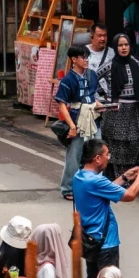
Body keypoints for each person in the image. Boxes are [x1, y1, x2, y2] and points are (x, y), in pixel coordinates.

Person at [72, 138, 139, 278]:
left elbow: (104, 190)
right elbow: (129, 195)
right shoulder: (96, 180)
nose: (109, 157)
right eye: (107, 154)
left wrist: (125, 177)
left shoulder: (80, 177)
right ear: (97, 158)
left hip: (90, 240)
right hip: (105, 244)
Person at [97, 32, 139, 180]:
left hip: (135, 110)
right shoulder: (109, 66)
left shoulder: (136, 63)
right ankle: (118, 179)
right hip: (117, 111)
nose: (124, 48)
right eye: (120, 45)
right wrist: (101, 98)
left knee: (135, 143)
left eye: (126, 44)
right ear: (115, 47)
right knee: (117, 146)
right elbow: (93, 79)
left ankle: (133, 178)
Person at [54, 45, 102, 200]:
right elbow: (62, 104)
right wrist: (72, 126)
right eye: (83, 57)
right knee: (75, 154)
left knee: (98, 151)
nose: (86, 60)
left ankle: (94, 185)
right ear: (74, 59)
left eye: (87, 57)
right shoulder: (67, 80)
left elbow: (92, 96)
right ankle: (68, 188)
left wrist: (101, 105)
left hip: (93, 117)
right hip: (77, 117)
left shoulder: (92, 75)